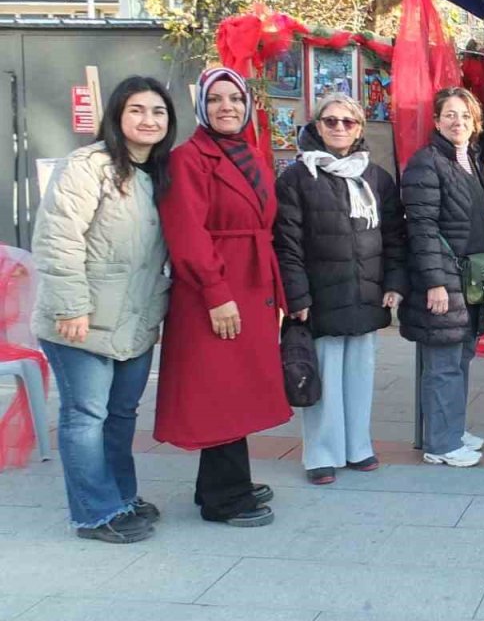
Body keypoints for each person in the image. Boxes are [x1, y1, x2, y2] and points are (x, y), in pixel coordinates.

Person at [31, 77, 176, 543]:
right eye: (137, 110)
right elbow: (58, 239)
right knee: (86, 416)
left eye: (158, 112)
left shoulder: (157, 173)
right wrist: (71, 306)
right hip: (83, 320)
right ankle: (95, 513)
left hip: (135, 321)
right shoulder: (87, 166)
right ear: (117, 115)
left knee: (121, 414)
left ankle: (121, 496)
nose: (148, 120)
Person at [156, 67, 291, 527]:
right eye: (216, 99)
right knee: (221, 391)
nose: (227, 107)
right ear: (201, 106)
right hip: (214, 289)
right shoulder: (187, 159)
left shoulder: (249, 153)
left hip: (250, 285)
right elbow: (187, 233)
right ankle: (224, 497)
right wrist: (216, 293)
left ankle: (221, 482)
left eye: (235, 98)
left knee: (239, 386)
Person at [273, 93, 407, 485]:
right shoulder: (297, 177)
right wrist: (296, 296)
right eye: (330, 121)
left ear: (360, 129)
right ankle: (321, 453)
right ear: (316, 126)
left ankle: (357, 446)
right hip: (320, 296)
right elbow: (287, 243)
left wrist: (395, 284)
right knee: (324, 378)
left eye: (348, 122)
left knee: (360, 376)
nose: (339, 128)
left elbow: (395, 237)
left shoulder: (375, 177)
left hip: (365, 292)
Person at [400, 87, 484, 467]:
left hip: (468, 279)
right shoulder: (427, 163)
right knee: (442, 363)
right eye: (450, 115)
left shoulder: (469, 159)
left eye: (466, 116)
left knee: (461, 356)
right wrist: (435, 282)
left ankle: (451, 428)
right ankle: (440, 444)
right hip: (443, 280)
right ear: (436, 121)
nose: (459, 122)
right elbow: (421, 227)